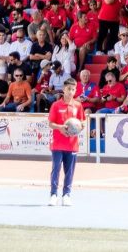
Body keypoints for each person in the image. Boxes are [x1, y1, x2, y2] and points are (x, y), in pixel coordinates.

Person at [48, 77, 84, 207]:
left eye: (73, 89)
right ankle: (53, 194)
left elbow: (82, 122)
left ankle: (67, 195)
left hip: (72, 144)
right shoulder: (56, 105)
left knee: (69, 171)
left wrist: (80, 127)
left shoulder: (78, 105)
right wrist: (60, 128)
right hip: (57, 143)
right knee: (56, 169)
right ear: (64, 89)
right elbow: (51, 123)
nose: (71, 91)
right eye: (68, 89)